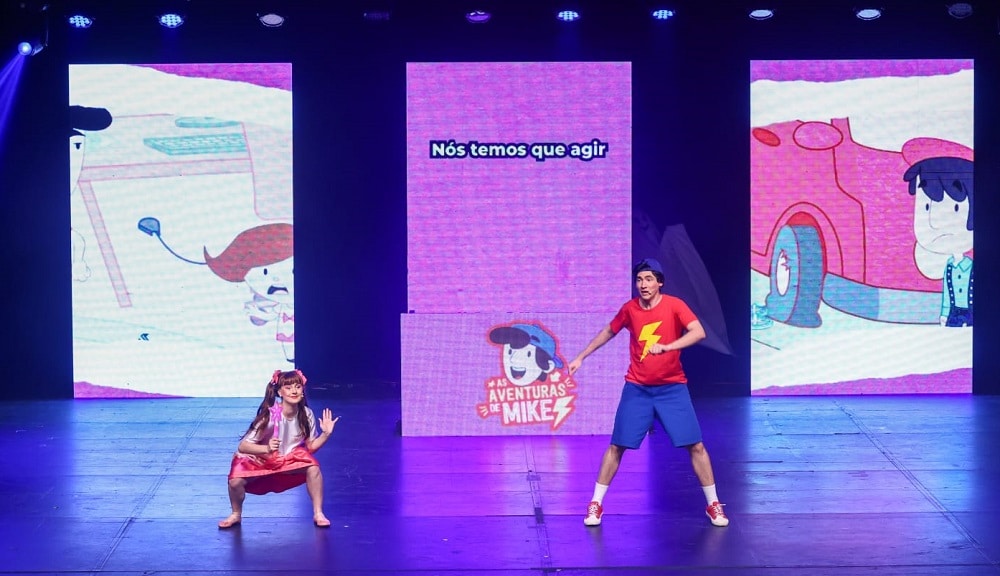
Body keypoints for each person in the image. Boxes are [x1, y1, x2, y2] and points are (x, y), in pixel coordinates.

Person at [568, 258, 729, 527]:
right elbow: (609, 331)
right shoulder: (629, 309)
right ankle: (596, 503)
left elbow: (698, 332)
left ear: (659, 283)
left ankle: (713, 504)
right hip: (638, 389)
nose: (643, 285)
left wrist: (668, 347)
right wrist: (581, 356)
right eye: (639, 280)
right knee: (617, 446)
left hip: (672, 388)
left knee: (696, 445)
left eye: (649, 279)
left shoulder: (675, 305)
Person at [218, 369, 339, 528]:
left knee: (313, 468)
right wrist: (267, 448)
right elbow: (243, 445)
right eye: (288, 388)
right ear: (280, 392)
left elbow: (310, 447)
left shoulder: (306, 414)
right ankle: (236, 514)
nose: (294, 391)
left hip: (288, 459)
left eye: (298, 387)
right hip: (263, 459)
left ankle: (318, 513)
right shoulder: (269, 416)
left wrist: (325, 434)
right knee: (235, 482)